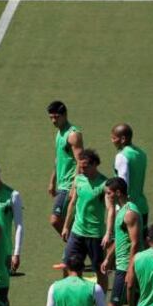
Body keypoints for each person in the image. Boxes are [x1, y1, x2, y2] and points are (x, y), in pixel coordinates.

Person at [95, 177, 144, 306]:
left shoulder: (130, 213)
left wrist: (130, 270)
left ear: (117, 193)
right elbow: (120, 239)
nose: (106, 196)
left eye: (108, 193)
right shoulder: (122, 211)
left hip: (127, 268)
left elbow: (135, 243)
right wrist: (108, 258)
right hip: (122, 266)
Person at [61, 149, 109, 293]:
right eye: (80, 166)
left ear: (95, 164)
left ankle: (100, 302)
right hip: (77, 232)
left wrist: (109, 232)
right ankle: (68, 295)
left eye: (85, 166)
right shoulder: (79, 179)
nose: (82, 169)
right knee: (66, 265)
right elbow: (73, 203)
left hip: (95, 236)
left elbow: (110, 208)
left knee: (100, 270)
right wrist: (66, 226)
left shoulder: (104, 184)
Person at [47, 101, 83, 243]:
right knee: (73, 221)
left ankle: (75, 249)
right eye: (51, 118)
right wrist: (52, 180)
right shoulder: (59, 133)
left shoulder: (73, 135)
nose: (53, 121)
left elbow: (81, 162)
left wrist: (74, 186)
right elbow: (59, 158)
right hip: (62, 184)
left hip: (69, 185)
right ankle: (76, 251)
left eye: (56, 117)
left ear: (65, 115)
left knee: (55, 220)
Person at [109, 123, 149, 229]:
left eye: (114, 138)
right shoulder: (141, 154)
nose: (112, 141)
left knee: (123, 244)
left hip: (127, 210)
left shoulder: (122, 156)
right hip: (142, 206)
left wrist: (119, 210)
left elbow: (122, 185)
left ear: (122, 139)